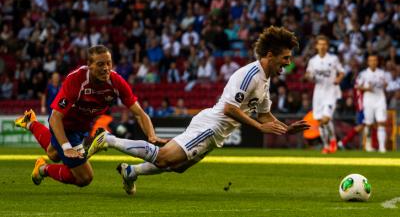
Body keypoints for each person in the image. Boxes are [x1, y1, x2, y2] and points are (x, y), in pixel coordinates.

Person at [87, 26, 310, 195]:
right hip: (212, 126)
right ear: (270, 55)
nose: (288, 63)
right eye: (285, 58)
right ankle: (109, 140)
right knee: (165, 159)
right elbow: (230, 108)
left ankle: (131, 172)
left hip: (217, 133)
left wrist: (286, 129)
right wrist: (260, 127)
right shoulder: (250, 75)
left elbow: (263, 114)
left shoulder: (265, 80)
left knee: (178, 167)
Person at [14, 45, 165, 187]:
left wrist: (151, 136)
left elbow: (139, 113)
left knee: (53, 154)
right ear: (89, 65)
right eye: (100, 64)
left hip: (82, 128)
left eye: (108, 63)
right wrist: (67, 147)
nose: (106, 68)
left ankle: (30, 122)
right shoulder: (76, 80)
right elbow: (55, 117)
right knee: (84, 178)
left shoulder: (116, 82)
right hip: (64, 125)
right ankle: (43, 169)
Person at [304, 35, 344, 154]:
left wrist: (338, 79)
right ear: (316, 46)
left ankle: (332, 140)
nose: (322, 46)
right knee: (320, 122)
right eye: (320, 44)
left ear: (327, 46)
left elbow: (342, 72)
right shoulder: (313, 61)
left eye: (324, 44)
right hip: (318, 94)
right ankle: (326, 146)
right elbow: (309, 75)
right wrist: (307, 77)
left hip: (331, 92)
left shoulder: (333, 59)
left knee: (325, 120)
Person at [356, 54, 388, 153]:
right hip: (368, 100)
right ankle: (368, 145)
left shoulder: (382, 73)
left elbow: (386, 85)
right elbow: (357, 86)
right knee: (368, 123)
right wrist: (366, 88)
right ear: (368, 62)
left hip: (380, 99)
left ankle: (382, 147)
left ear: (377, 62)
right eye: (371, 60)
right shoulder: (363, 74)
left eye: (375, 60)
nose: (373, 62)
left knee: (381, 122)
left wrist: (385, 84)